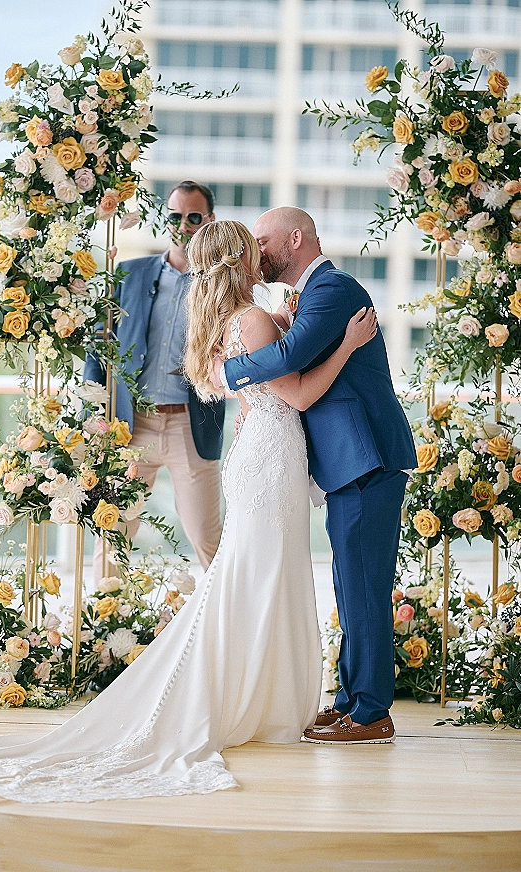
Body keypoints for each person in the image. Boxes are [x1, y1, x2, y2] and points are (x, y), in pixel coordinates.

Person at [0, 221, 377, 803]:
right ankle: (259, 698)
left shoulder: (223, 321)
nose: (264, 255)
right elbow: (295, 394)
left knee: (252, 571)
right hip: (271, 455)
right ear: (242, 261)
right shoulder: (249, 318)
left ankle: (255, 692)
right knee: (264, 571)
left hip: (260, 452)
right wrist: (347, 344)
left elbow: (255, 383)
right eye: (257, 250)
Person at [213, 207, 417, 745]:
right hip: (345, 463)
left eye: (263, 240)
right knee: (350, 589)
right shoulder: (304, 297)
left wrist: (224, 369)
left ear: (294, 239)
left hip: (365, 457)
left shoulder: (332, 290)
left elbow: (287, 357)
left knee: (365, 588)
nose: (255, 253)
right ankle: (352, 700)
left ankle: (372, 714)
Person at [83, 180, 225, 581]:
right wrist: (94, 417)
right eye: (175, 216)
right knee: (113, 533)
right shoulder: (128, 275)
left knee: (206, 535)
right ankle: (107, 628)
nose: (183, 226)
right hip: (131, 425)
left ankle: (229, 632)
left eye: (193, 217)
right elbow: (99, 351)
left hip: (189, 424)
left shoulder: (220, 284)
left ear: (209, 221)